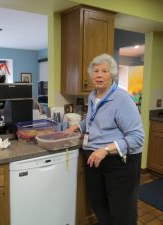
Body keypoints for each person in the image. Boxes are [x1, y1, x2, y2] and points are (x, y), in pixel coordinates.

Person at [67, 53, 144, 225]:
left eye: (104, 71)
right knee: (99, 204)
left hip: (119, 162)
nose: (99, 75)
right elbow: (95, 119)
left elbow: (137, 137)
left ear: (112, 75)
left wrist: (106, 149)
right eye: (96, 71)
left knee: (122, 211)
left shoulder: (122, 99)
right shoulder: (93, 95)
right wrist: (79, 126)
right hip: (95, 159)